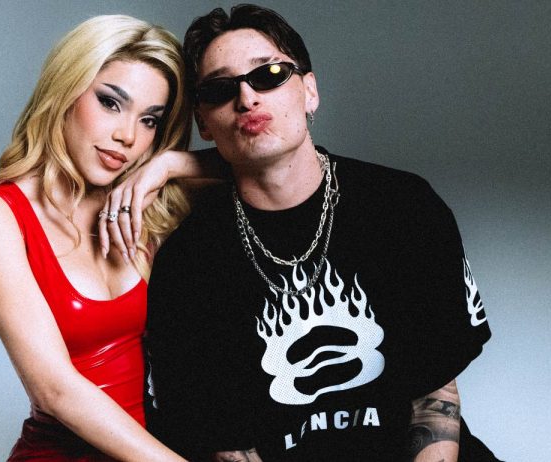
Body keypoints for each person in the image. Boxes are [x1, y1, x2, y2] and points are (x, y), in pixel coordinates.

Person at [135, 4, 499, 461]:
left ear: (309, 91)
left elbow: (433, 397)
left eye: (269, 74)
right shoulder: (190, 264)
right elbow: (228, 448)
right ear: (203, 123)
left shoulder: (402, 207)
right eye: (219, 89)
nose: (246, 98)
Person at [0, 15, 193, 461]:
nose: (127, 136)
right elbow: (54, 389)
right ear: (65, 92)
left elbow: (271, 168)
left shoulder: (144, 204)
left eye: (149, 120)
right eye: (110, 103)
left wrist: (169, 165)